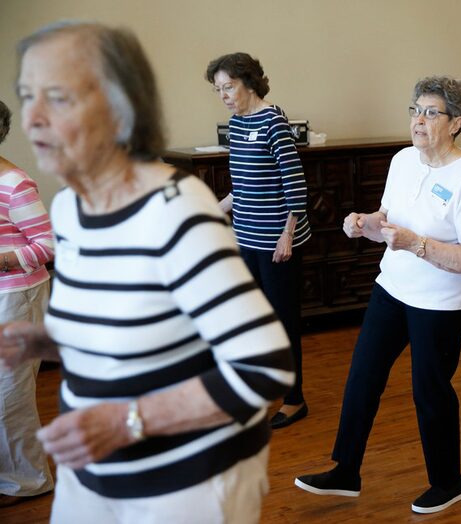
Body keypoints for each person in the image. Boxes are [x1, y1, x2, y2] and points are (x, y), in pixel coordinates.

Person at [4, 21, 295, 523]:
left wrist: (127, 420)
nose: (32, 119)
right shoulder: (73, 206)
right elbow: (121, 322)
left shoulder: (175, 210)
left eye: (55, 97)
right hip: (92, 467)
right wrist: (44, 342)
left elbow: (263, 367)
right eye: (27, 96)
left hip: (182, 483)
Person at [294, 76, 461, 514]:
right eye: (415, 110)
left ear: (456, 123)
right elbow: (389, 219)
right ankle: (346, 471)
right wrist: (366, 222)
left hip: (440, 303)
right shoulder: (403, 160)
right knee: (363, 376)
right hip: (392, 288)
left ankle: (449, 481)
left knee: (430, 391)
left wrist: (416, 244)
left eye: (431, 113)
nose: (418, 120)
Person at [205, 52, 311, 429]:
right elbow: (243, 185)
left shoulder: (273, 122)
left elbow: (295, 183)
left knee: (281, 322)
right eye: (218, 89)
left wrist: (288, 234)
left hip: (277, 241)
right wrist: (217, 207)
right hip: (247, 237)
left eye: (228, 86)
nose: (224, 95)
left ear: (248, 82)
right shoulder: (236, 124)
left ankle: (295, 399)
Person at [0, 99, 55, 507]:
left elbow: (48, 245)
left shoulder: (15, 183)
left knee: (10, 395)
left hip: (19, 296)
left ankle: (29, 482)